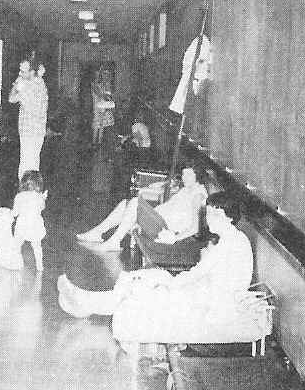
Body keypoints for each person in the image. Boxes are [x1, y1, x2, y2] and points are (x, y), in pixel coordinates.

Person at [59, 192, 253, 326]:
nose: (210, 218)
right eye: (209, 213)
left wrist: (170, 284)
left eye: (216, 214)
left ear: (230, 217)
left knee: (144, 287)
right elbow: (204, 274)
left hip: (211, 303)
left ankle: (86, 302)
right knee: (146, 278)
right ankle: (86, 301)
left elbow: (199, 274)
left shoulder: (230, 242)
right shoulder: (231, 237)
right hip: (206, 293)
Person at [76, 164, 208, 251]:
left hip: (164, 229)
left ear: (197, 176)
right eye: (183, 174)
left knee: (135, 202)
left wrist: (174, 238)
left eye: (188, 175)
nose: (184, 178)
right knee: (125, 203)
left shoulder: (198, 195)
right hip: (158, 220)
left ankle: (114, 241)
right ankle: (98, 232)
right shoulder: (187, 189)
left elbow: (195, 227)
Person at [0, 170, 47, 271]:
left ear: (23, 183)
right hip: (35, 225)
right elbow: (42, 208)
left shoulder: (19, 196)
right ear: (39, 184)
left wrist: (7, 213)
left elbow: (15, 213)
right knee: (37, 247)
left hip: (22, 226)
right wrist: (43, 198)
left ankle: (15, 262)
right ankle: (39, 266)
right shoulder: (39, 197)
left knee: (16, 246)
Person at [10, 60, 48, 180]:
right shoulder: (41, 83)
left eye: (23, 71)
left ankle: (25, 187)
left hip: (28, 131)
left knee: (25, 164)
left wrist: (16, 82)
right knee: (34, 162)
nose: (20, 73)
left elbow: (11, 98)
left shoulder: (26, 86)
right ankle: (33, 188)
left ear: (31, 72)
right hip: (38, 131)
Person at [91, 69, 115, 147]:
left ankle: (99, 142)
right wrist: (108, 98)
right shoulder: (94, 85)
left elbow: (107, 95)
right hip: (97, 107)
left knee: (102, 125)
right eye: (96, 75)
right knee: (96, 125)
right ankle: (94, 142)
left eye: (99, 75)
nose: (98, 77)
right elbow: (100, 95)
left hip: (103, 106)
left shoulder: (102, 85)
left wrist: (109, 96)